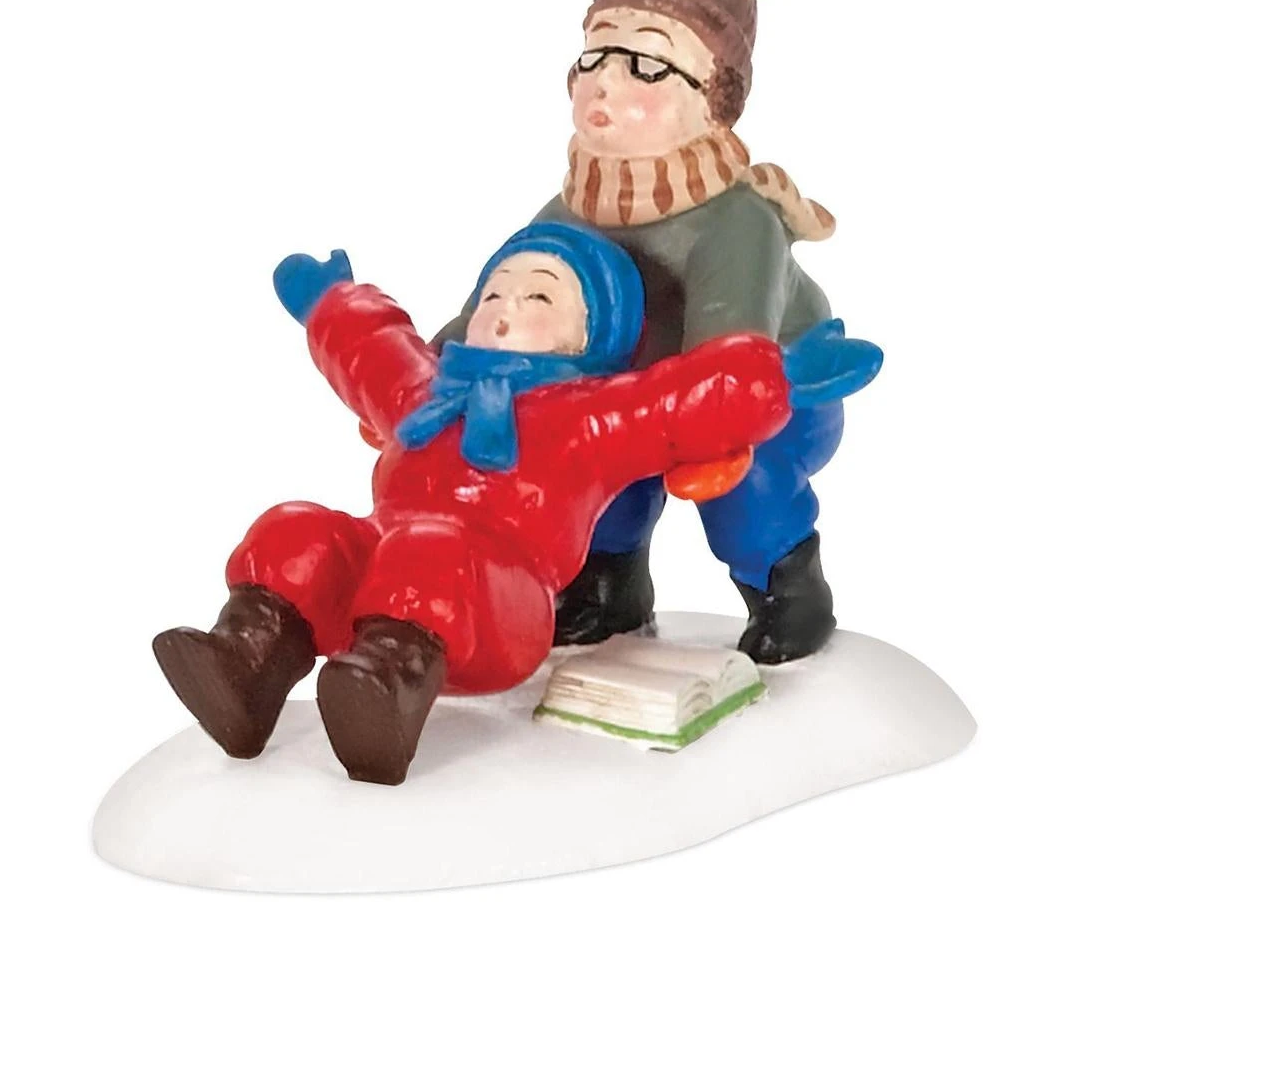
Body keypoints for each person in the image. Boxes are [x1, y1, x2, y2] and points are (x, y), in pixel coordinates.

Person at [152, 223, 878, 784]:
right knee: (296, 531)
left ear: (591, 333)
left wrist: (777, 377)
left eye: (539, 299)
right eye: (494, 295)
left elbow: (675, 405)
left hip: (493, 608)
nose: (504, 312)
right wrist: (334, 302)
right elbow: (374, 350)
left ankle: (385, 694)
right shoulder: (427, 390)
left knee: (431, 549)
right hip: (385, 568)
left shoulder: (584, 414)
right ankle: (245, 664)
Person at [438, 0, 855, 663]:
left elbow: (732, 354)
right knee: (588, 464)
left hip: (768, 394)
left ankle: (787, 586)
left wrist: (696, 417)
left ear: (713, 101)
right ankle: (609, 583)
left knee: (741, 483)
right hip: (634, 393)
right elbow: (509, 289)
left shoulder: (737, 219)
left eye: (646, 65)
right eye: (594, 57)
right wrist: (439, 367)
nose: (604, 83)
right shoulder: (574, 207)